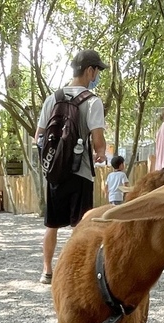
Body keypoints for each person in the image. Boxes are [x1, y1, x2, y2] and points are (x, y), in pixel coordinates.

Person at [34, 49, 109, 284]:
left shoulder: (52, 98)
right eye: (97, 71)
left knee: (52, 225)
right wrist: (100, 154)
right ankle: (78, 274)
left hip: (55, 173)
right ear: (89, 71)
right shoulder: (92, 101)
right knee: (81, 226)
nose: (97, 75)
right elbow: (98, 140)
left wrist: (52, 161)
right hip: (81, 172)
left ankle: (47, 271)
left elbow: (39, 136)